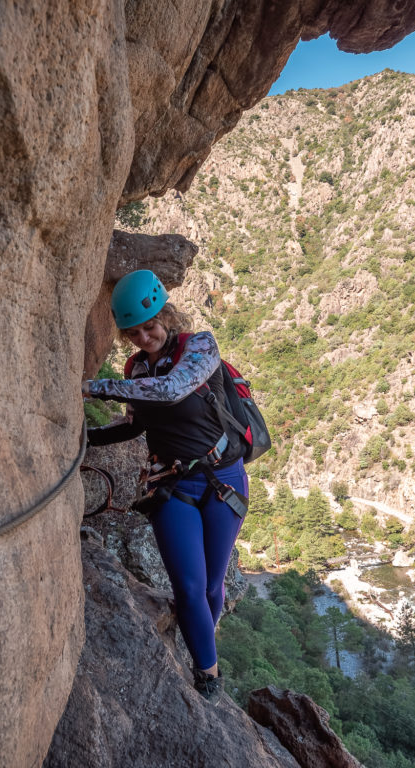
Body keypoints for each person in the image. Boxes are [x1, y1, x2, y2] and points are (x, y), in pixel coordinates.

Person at [82, 269, 248, 704]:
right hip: (172, 486)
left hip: (221, 480)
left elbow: (173, 390)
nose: (143, 337)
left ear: (167, 316)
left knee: (212, 587)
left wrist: (94, 388)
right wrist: (84, 438)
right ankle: (208, 677)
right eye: (132, 332)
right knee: (189, 588)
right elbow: (135, 425)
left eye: (150, 326)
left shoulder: (201, 346)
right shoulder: (135, 368)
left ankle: (200, 640)